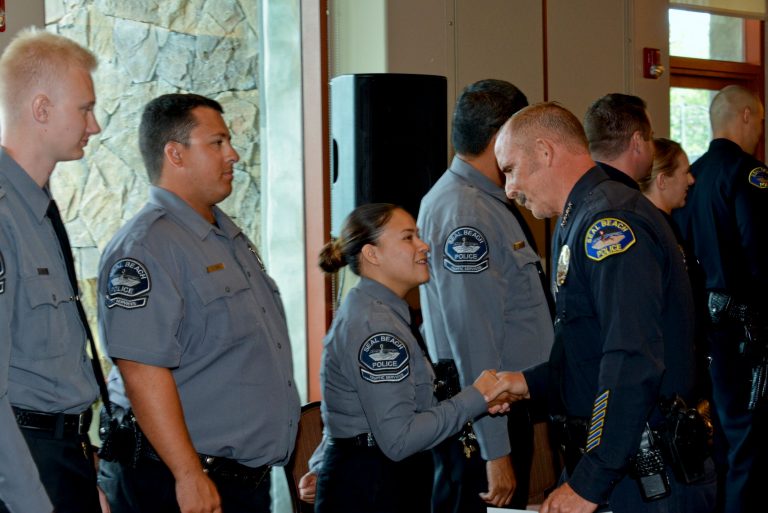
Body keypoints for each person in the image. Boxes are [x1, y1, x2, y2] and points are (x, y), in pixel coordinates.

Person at [493, 102, 715, 513]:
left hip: (647, 475)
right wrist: (527, 383)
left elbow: (632, 357)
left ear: (544, 151)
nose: (508, 189)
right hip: (617, 464)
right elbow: (590, 350)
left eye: (509, 169)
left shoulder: (609, 222)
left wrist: (589, 484)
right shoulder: (576, 217)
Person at [96, 93, 301, 513]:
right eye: (218, 143)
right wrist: (188, 473)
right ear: (176, 154)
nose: (234, 155)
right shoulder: (146, 246)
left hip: (241, 481)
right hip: (176, 482)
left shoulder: (226, 236)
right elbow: (141, 369)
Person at [312, 203, 504, 513]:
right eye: (408, 237)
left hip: (376, 478)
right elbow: (400, 439)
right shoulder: (376, 326)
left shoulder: (381, 311)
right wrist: (476, 396)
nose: (423, 245)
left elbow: (357, 409)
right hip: (374, 488)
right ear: (372, 254)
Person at [417, 79, 554, 511]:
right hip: (482, 418)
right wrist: (495, 451)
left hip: (498, 408)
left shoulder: (487, 200)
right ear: (500, 139)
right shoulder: (465, 212)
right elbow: (473, 339)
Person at [0, 28, 103, 513]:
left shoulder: (37, 209)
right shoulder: (4, 216)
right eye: (84, 108)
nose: (95, 125)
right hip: (26, 464)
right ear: (41, 110)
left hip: (64, 458)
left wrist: (83, 475)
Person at [674, 84, 768, 513]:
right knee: (749, 446)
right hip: (747, 335)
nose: (759, 132)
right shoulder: (750, 174)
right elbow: (760, 254)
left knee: (717, 446)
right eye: (761, 122)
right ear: (746, 116)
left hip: (702, 333)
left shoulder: (691, 176)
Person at [584, 93, 656, 188]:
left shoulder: (577, 191)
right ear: (637, 142)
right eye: (651, 137)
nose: (654, 148)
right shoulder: (630, 201)